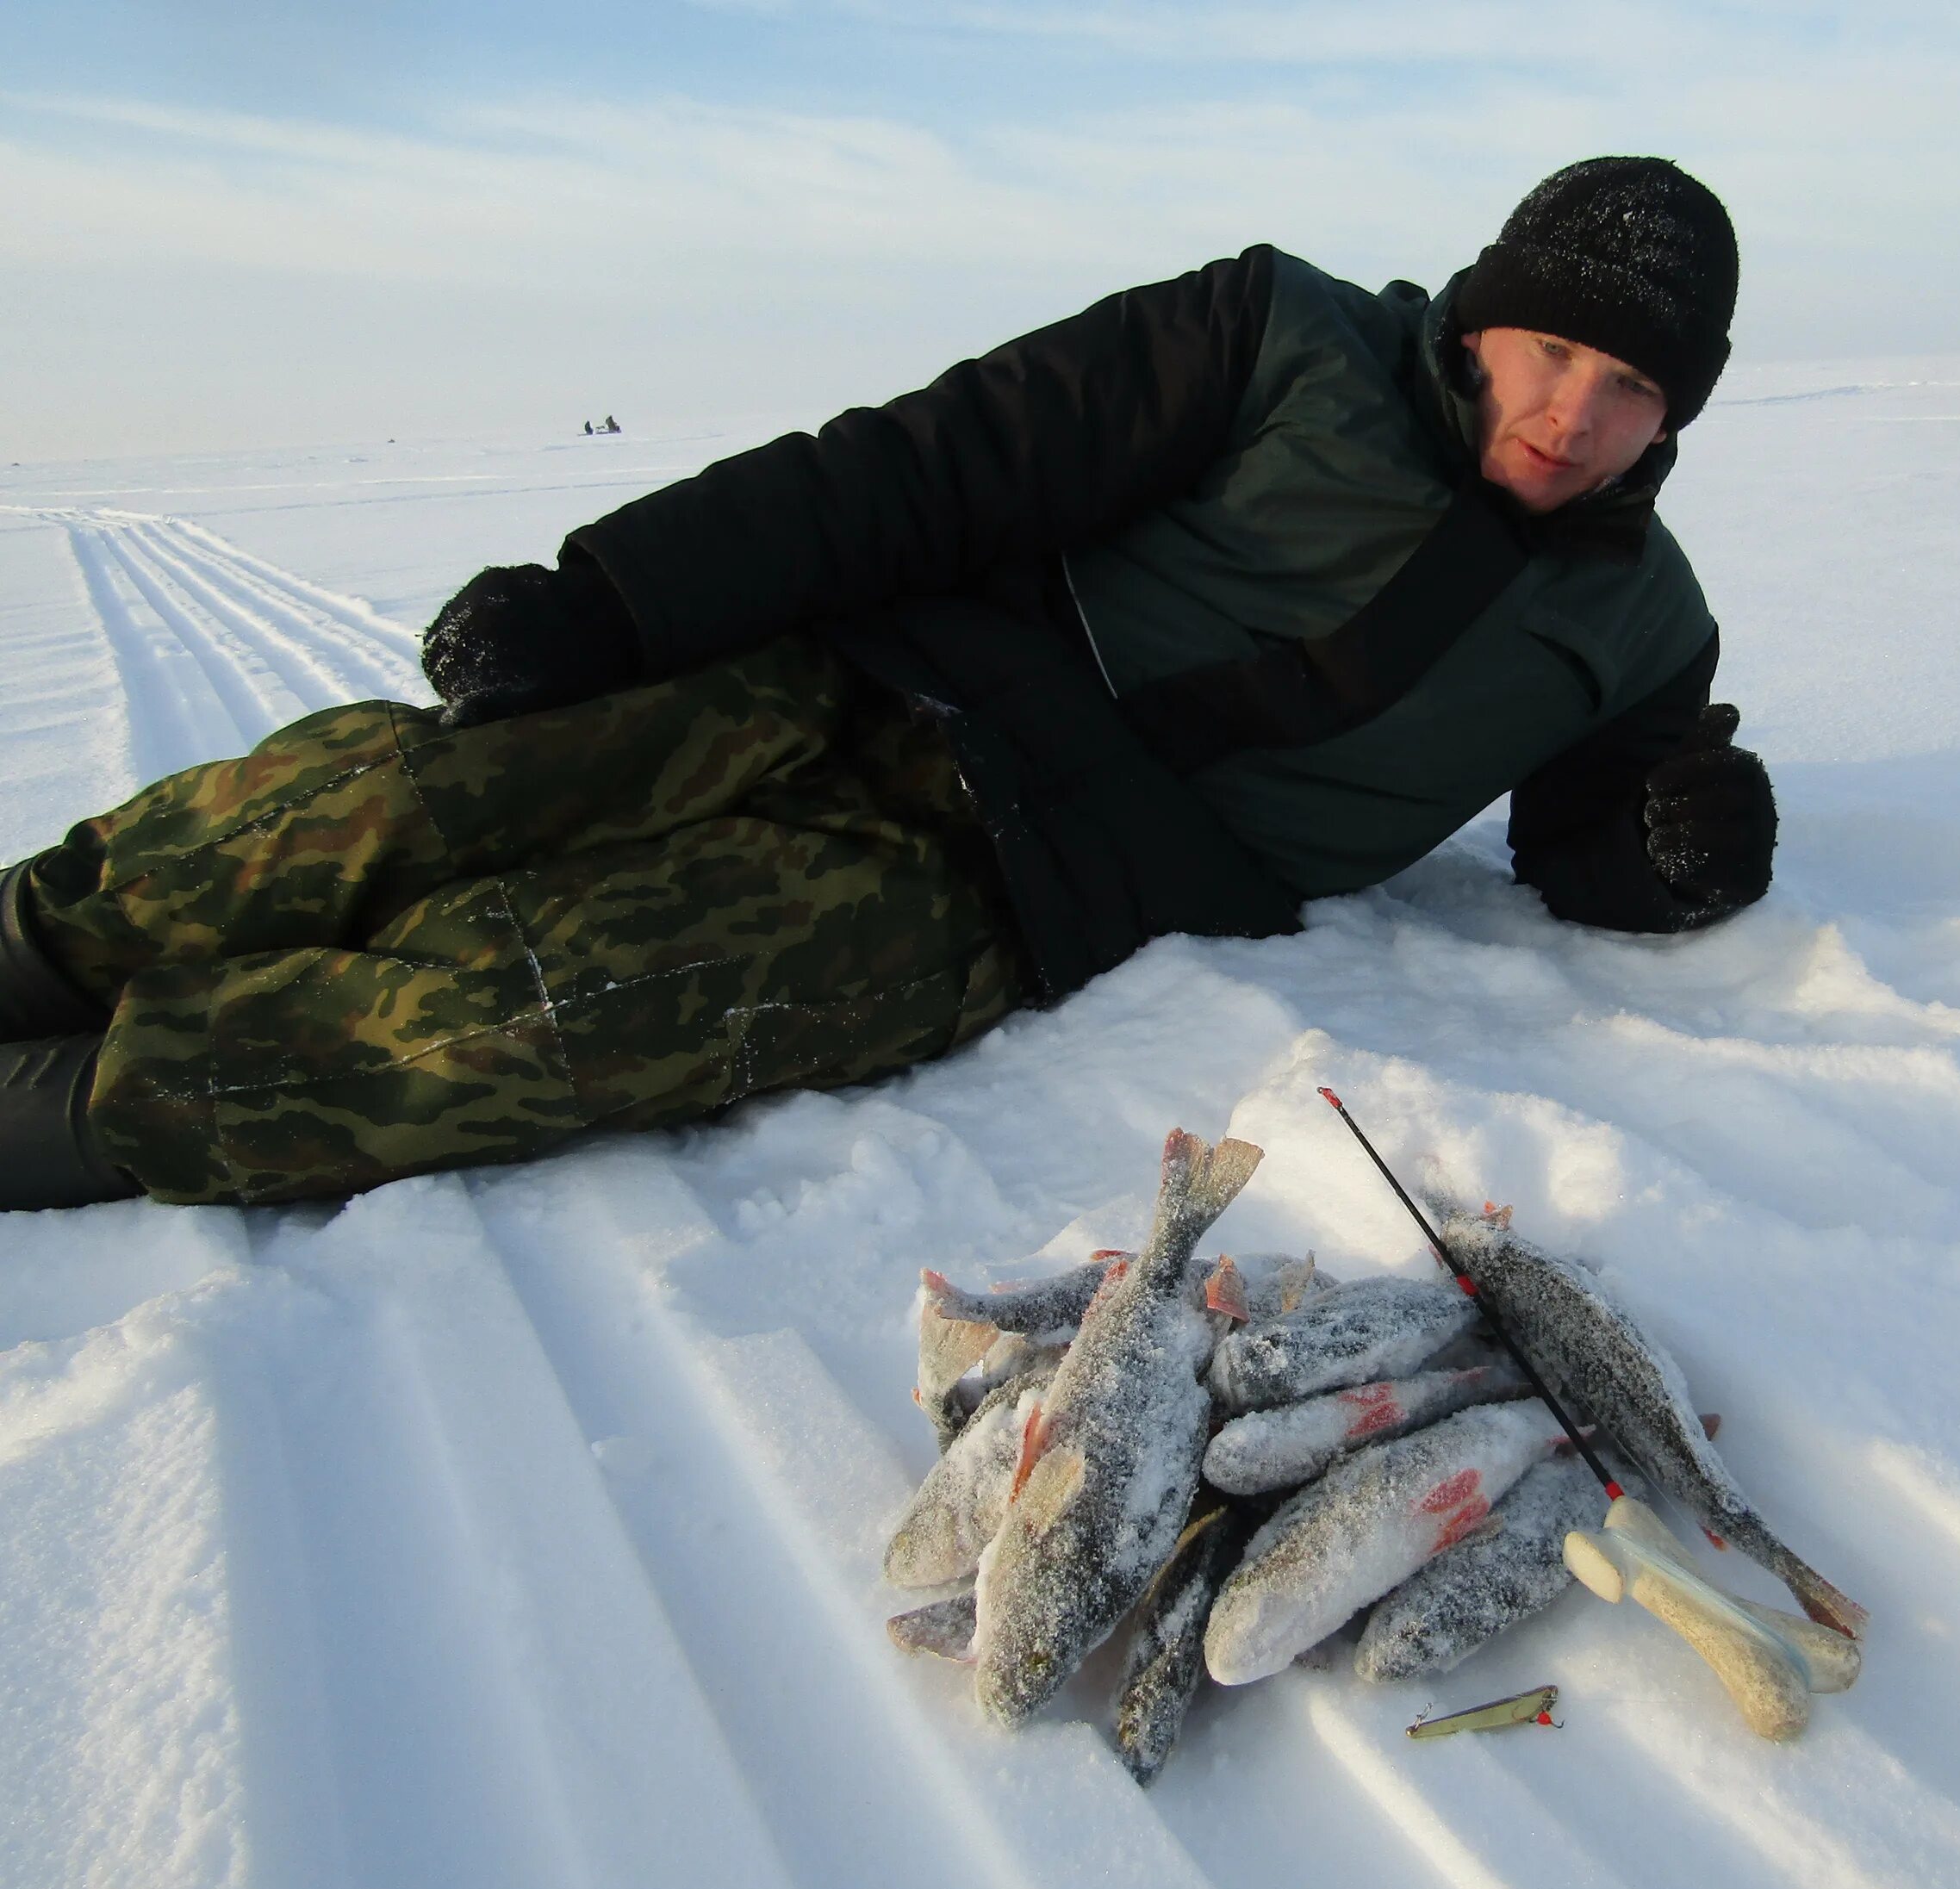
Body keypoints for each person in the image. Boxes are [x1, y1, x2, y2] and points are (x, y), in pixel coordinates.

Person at [0, 157, 1776, 1211]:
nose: (1574, 418)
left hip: (1021, 892)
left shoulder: (1641, 623)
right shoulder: (1276, 335)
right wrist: (610, 598)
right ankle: (30, 942)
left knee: (540, 1007)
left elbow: (1588, 839)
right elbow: (932, 467)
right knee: (416, 797)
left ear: (1677, 419)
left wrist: (1675, 847)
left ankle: (62, 1112)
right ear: (1477, 317)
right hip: (868, 673)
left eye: (1634, 393)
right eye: (1552, 353)